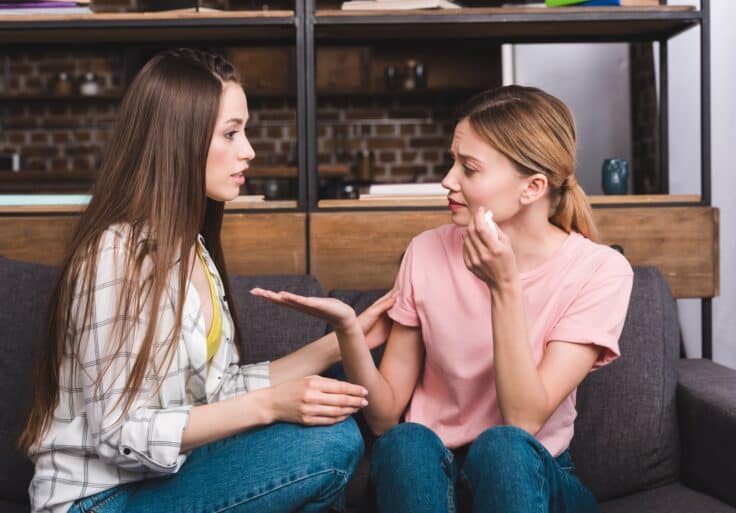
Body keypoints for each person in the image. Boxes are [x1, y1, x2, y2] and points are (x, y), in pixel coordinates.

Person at [18, 48, 395, 513]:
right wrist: (273, 405)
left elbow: (215, 395)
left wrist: (341, 342)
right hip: (98, 500)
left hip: (161, 481)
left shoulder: (190, 247)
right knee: (327, 444)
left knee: (341, 389)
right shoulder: (116, 254)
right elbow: (118, 433)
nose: (249, 150)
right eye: (232, 133)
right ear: (180, 140)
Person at [252, 85, 634, 513]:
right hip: (431, 474)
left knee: (504, 448)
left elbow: (524, 422)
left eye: (468, 168)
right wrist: (348, 334)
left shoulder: (600, 270)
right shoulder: (426, 251)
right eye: (453, 161)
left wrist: (503, 288)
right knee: (405, 442)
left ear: (533, 187)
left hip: (532, 476)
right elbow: (382, 418)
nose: (447, 180)